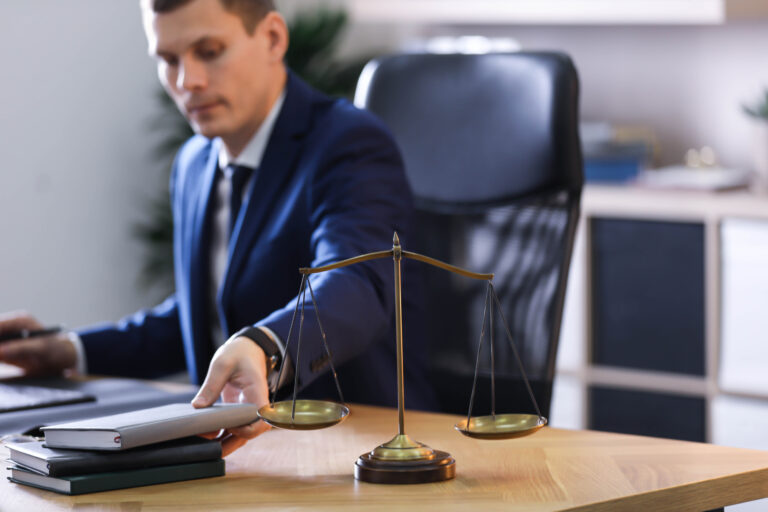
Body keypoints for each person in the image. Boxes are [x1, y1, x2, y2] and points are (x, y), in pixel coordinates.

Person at [0, 0, 434, 455]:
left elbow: (356, 281)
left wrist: (265, 345)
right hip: (237, 452)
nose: (188, 81)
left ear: (272, 38)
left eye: (208, 51)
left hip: (353, 449)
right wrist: (69, 350)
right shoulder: (193, 163)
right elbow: (197, 319)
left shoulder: (348, 143)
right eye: (168, 60)